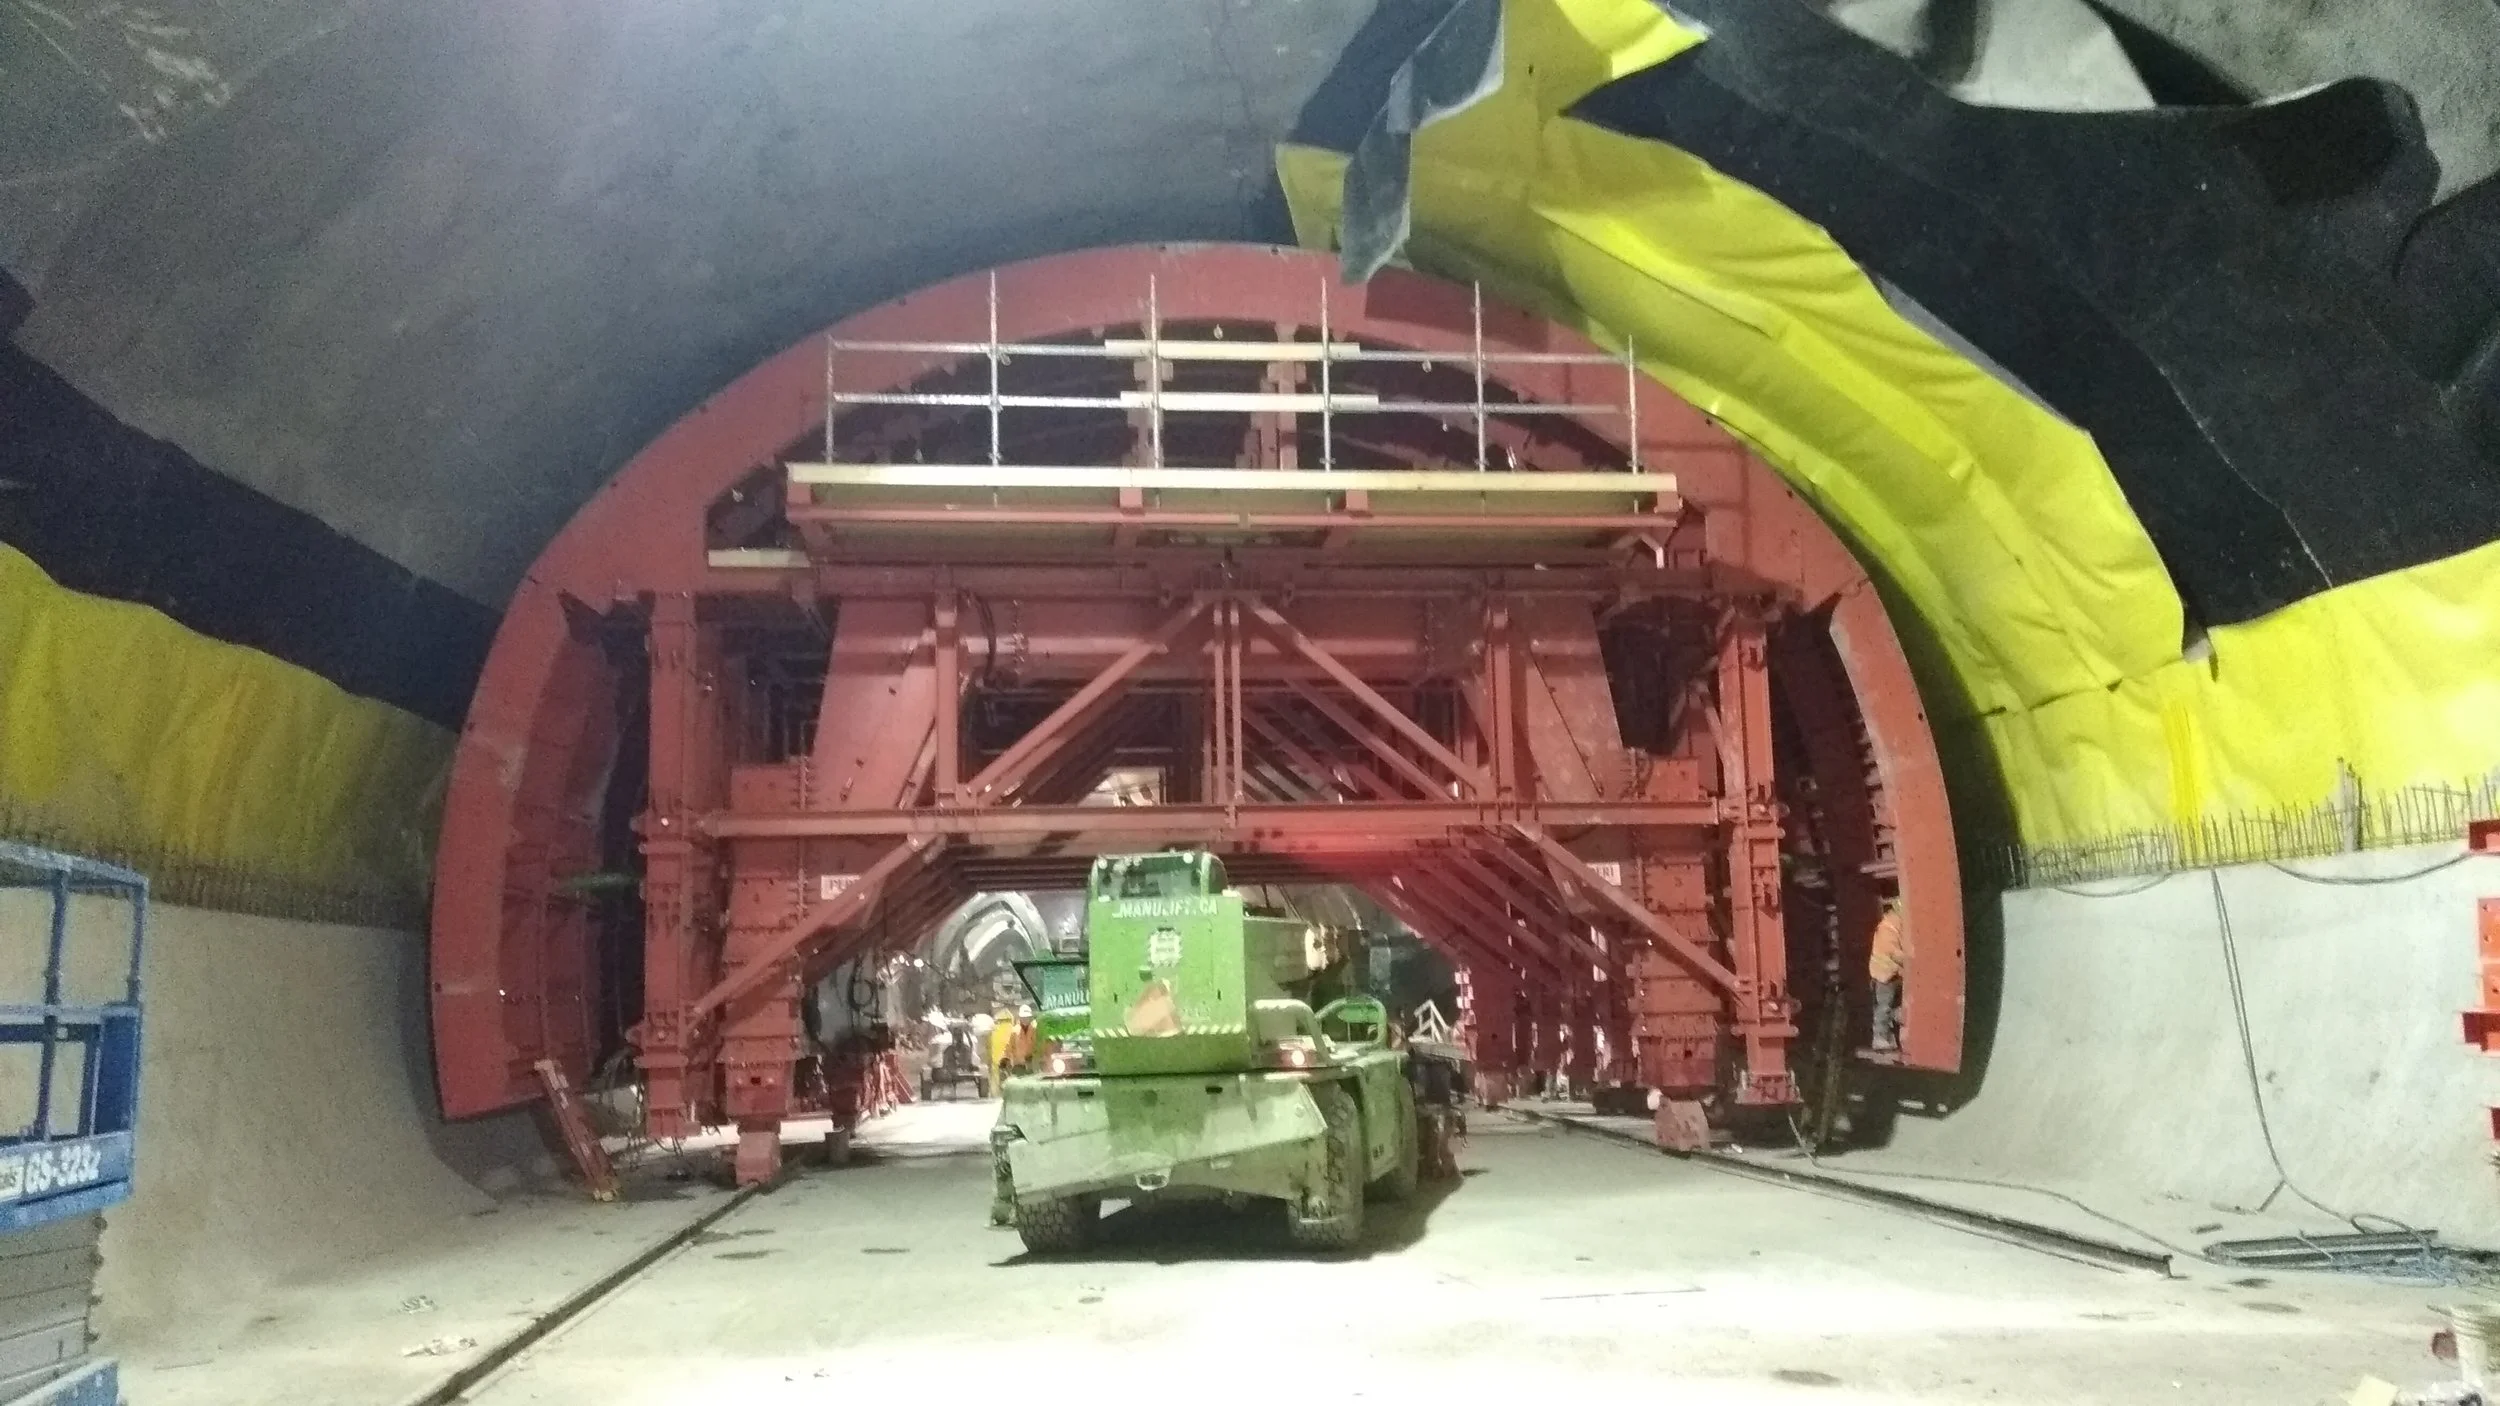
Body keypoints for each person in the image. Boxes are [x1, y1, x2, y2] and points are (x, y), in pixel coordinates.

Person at [1868, 898, 1909, 1054]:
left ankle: (1888, 1036)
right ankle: (1879, 1038)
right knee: (1884, 1006)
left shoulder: (1896, 925)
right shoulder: (1889, 926)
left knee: (1888, 1006)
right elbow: (1893, 951)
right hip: (1884, 973)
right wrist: (1910, 960)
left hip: (1892, 973)